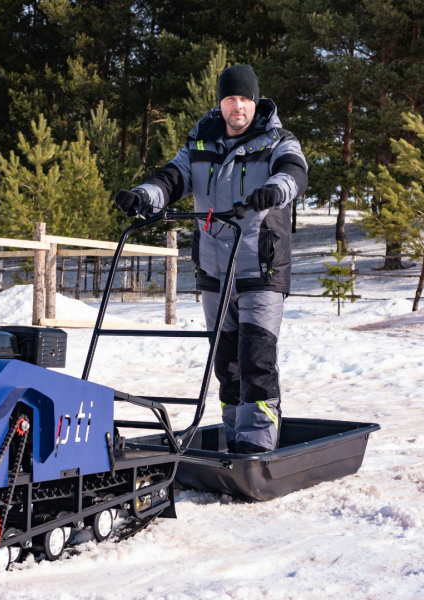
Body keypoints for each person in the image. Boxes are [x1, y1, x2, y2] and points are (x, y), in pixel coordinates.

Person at [113, 64, 307, 454]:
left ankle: (256, 449)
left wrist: (275, 189)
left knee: (255, 359)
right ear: (220, 103)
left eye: (245, 99)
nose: (239, 106)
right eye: (231, 98)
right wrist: (143, 196)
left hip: (260, 267)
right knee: (226, 365)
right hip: (215, 272)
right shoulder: (200, 144)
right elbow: (172, 179)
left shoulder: (278, 140)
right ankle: (235, 440)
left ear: (256, 102)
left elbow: (294, 173)